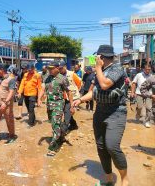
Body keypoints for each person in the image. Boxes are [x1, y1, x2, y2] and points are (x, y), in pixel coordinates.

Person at [72, 45, 128, 186]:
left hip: (116, 112)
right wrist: (80, 100)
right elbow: (95, 92)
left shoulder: (117, 68)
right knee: (101, 147)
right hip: (100, 112)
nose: (96, 59)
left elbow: (104, 85)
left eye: (97, 57)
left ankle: (125, 179)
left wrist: (97, 68)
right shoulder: (101, 71)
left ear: (101, 57)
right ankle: (108, 179)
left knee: (112, 146)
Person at [39, 60, 73, 156]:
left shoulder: (62, 79)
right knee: (53, 123)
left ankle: (54, 147)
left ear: (57, 68)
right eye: (48, 68)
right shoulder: (47, 78)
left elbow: (69, 92)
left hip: (58, 104)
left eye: (51, 68)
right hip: (49, 104)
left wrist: (71, 105)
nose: (49, 70)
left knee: (55, 124)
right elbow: (43, 88)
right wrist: (39, 99)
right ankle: (61, 136)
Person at [58, 61, 79, 132]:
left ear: (65, 67)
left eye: (61, 68)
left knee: (67, 112)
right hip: (64, 97)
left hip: (72, 97)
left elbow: (79, 83)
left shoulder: (72, 74)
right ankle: (74, 124)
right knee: (66, 111)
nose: (60, 70)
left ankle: (63, 130)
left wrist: (75, 92)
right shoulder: (59, 75)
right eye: (59, 68)